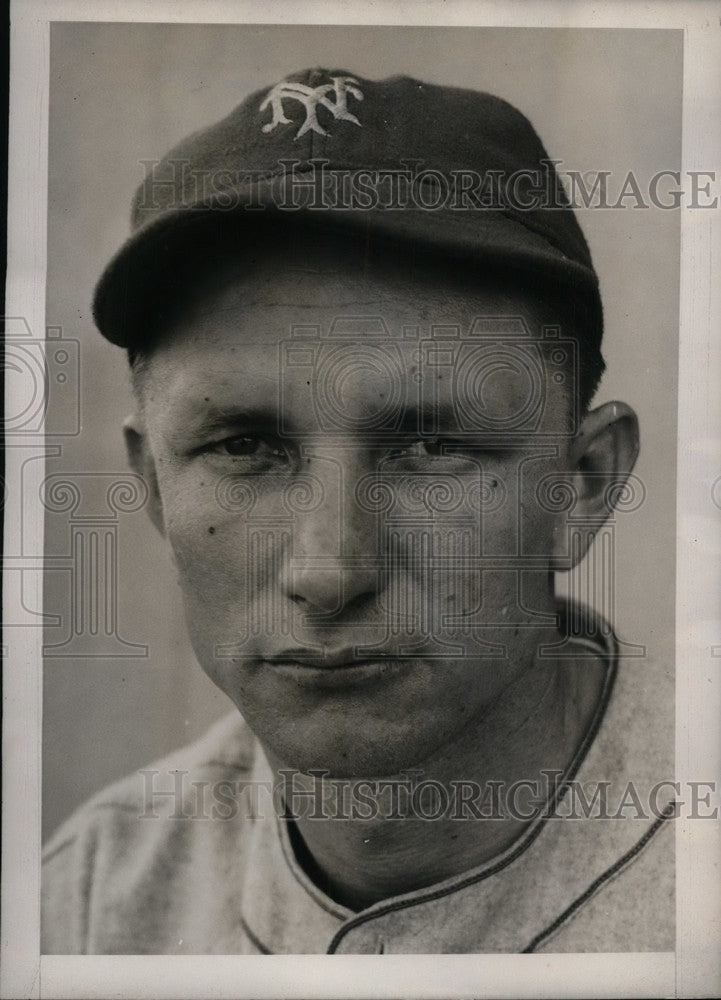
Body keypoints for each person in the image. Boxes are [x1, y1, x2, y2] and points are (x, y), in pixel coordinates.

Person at [42, 68, 674, 954]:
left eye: (428, 447)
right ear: (152, 485)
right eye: (243, 448)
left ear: (580, 483)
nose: (329, 570)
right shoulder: (87, 901)